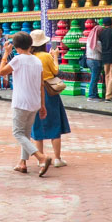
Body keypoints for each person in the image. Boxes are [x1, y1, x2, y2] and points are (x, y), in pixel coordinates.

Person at [0, 32, 52, 177]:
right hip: (34, 102)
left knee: (18, 132)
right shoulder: (36, 61)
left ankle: (41, 157)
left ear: (16, 46)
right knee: (26, 134)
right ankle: (22, 162)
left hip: (21, 102)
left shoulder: (18, 59)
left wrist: (5, 54)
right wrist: (42, 104)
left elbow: (1, 71)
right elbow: (41, 85)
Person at [30, 29, 70, 168]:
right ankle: (57, 158)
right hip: (48, 91)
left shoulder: (29, 57)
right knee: (54, 124)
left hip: (34, 92)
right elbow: (55, 71)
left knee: (37, 126)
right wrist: (55, 57)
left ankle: (41, 158)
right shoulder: (46, 56)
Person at [85, 20, 104, 101]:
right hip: (95, 61)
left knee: (94, 78)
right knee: (94, 78)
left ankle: (95, 94)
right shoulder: (97, 42)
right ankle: (92, 95)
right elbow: (102, 51)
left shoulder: (89, 39)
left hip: (89, 60)